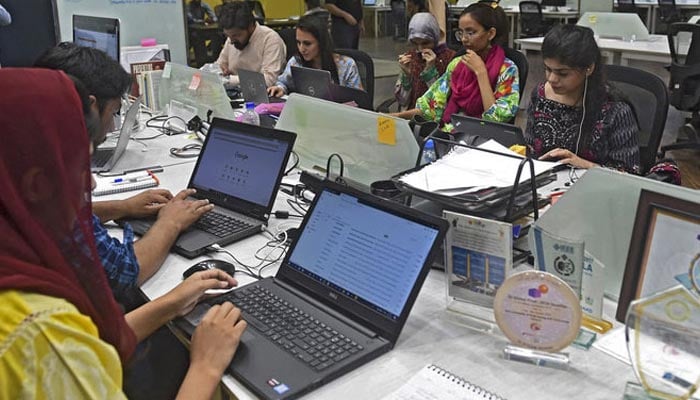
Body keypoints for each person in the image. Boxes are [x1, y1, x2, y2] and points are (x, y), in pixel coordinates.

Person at [0, 68, 247, 399]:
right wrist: (206, 366)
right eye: (80, 167)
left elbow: (92, 340)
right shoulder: (38, 336)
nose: (89, 185)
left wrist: (172, 302)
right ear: (36, 185)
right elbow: (66, 344)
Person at [35, 43, 215, 303]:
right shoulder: (45, 171)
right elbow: (122, 273)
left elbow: (57, 219)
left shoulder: (24, 148)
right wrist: (170, 222)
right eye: (114, 113)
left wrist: (123, 206)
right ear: (89, 106)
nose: (110, 127)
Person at [524, 25, 641, 173]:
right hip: (543, 183)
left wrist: (586, 165)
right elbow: (529, 146)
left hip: (593, 189)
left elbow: (630, 174)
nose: (552, 79)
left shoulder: (615, 110)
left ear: (589, 68)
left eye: (563, 73)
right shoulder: (540, 95)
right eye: (548, 69)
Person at [393, 2, 519, 127]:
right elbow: (430, 107)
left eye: (471, 33)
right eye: (461, 33)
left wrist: (481, 73)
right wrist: (395, 117)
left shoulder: (507, 69)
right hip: (453, 135)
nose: (464, 39)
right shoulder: (458, 64)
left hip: (484, 140)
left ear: (490, 33)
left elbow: (495, 121)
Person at [267, 15, 362, 97]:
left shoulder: (347, 66)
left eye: (307, 44)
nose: (301, 49)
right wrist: (280, 88)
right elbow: (283, 82)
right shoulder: (296, 62)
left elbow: (359, 100)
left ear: (321, 42)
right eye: (298, 43)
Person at [216, 1, 286, 87]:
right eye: (228, 35)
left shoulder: (270, 39)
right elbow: (219, 66)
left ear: (250, 26)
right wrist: (221, 70)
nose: (231, 41)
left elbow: (269, 80)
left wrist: (229, 79)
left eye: (236, 35)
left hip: (262, 96)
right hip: (235, 92)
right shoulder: (232, 39)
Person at [394, 12, 455, 111]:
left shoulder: (450, 59)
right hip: (411, 117)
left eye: (426, 43)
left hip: (436, 120)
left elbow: (442, 103)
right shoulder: (410, 56)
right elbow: (403, 101)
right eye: (414, 43)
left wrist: (430, 72)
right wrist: (406, 76)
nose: (420, 48)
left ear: (435, 37)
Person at [186, 0, 223, 67]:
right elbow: (191, 19)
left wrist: (212, 19)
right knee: (197, 36)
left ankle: (214, 59)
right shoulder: (188, 7)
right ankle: (201, 62)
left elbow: (214, 17)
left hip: (203, 29)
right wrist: (203, 21)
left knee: (217, 34)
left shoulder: (204, 4)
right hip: (191, 31)